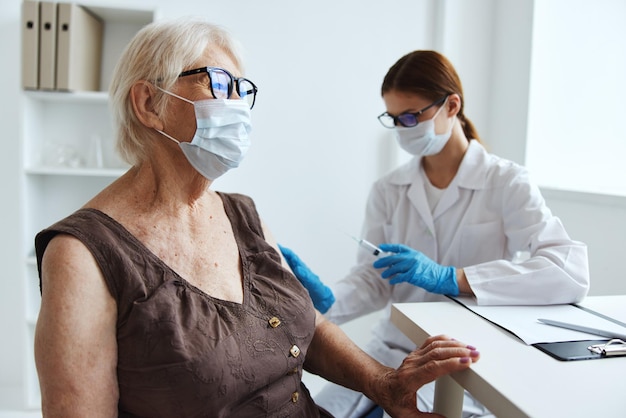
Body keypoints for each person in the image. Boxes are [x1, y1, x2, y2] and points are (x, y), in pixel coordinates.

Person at [32, 20, 481, 418]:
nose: (237, 107)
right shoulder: (82, 255)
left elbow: (308, 325)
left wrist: (385, 384)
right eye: (219, 84)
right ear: (149, 102)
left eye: (242, 91)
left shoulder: (240, 213)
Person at [280, 49, 590, 417]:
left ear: (452, 106)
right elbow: (377, 278)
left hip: (466, 355)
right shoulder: (389, 189)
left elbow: (568, 271)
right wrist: (331, 299)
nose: (402, 128)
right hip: (392, 348)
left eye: (412, 116)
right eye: (394, 118)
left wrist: (451, 278)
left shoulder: (506, 182)